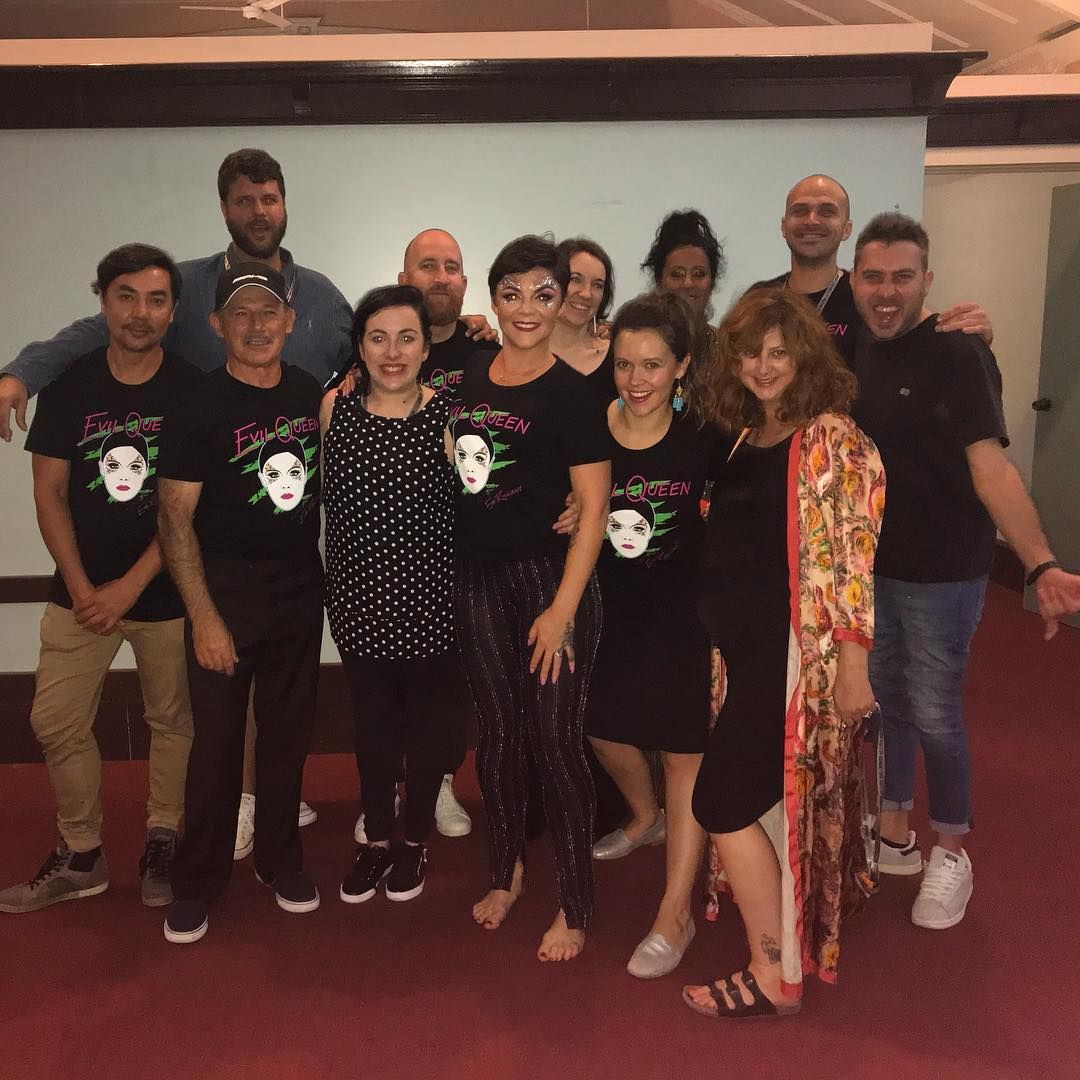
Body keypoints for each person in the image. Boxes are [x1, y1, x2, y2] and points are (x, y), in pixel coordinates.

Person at [0, 148, 346, 851]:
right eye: (244, 200)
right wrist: (21, 374)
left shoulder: (324, 297)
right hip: (208, 541)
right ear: (224, 208)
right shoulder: (184, 290)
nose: (258, 212)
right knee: (216, 687)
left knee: (264, 695)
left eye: (269, 198)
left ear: (285, 204)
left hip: (287, 527)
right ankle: (224, 805)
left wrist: (460, 337)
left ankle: (260, 800)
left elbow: (368, 365)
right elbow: (94, 332)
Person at [849, 212, 1080, 930]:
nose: (887, 292)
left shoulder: (959, 353)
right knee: (885, 704)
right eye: (874, 277)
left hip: (944, 572)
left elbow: (991, 469)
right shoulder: (852, 352)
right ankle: (895, 834)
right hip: (871, 570)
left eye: (902, 277)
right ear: (855, 281)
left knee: (935, 709)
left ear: (928, 281)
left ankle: (952, 851)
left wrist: (1041, 563)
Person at [683, 287, 884, 1017]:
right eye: (749, 353)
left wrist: (854, 666)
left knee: (721, 801)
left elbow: (855, 557)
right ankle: (784, 945)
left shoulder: (832, 438)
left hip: (794, 660)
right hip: (740, 654)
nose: (763, 367)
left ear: (805, 357)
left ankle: (772, 974)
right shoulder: (745, 435)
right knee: (765, 804)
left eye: (778, 353)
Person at [0, 244, 198, 915]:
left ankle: (163, 840)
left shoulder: (192, 390)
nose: (140, 313)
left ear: (173, 311)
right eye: (126, 296)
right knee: (54, 719)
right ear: (103, 302)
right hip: (78, 594)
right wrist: (84, 588)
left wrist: (130, 587)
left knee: (173, 721)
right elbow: (49, 494)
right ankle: (81, 854)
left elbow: (185, 508)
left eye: (156, 300)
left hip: (165, 591)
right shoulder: (70, 386)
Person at [450, 235, 611, 962]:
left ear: (560, 302)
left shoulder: (574, 394)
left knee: (555, 740)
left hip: (551, 583)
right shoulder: (465, 375)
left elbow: (594, 510)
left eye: (543, 295)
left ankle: (575, 901)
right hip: (478, 579)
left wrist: (562, 610)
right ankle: (506, 869)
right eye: (511, 294)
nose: (526, 308)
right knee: (498, 737)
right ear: (493, 300)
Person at [157, 263, 324, 944]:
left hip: (299, 585)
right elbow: (174, 517)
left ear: (289, 321)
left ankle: (281, 860)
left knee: (288, 735)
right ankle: (197, 880)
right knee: (218, 744)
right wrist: (203, 616)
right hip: (223, 588)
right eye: (241, 314)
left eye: (268, 312)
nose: (257, 326)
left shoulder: (312, 393)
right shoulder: (196, 403)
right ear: (217, 325)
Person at [584, 291, 715, 979]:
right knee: (599, 726)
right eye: (624, 364)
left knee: (685, 755)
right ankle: (644, 815)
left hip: (684, 615)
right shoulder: (591, 425)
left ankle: (675, 912)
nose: (636, 380)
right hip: (607, 609)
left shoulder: (707, 435)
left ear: (682, 366)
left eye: (653, 365)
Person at [321, 284, 461, 904]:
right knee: (372, 727)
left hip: (430, 602)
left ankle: (414, 839)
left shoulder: (450, 417)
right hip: (358, 601)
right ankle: (376, 836)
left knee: (426, 728)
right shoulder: (334, 410)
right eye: (378, 338)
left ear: (427, 348)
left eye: (407, 338)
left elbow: (490, 498)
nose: (393, 352)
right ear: (360, 347)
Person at [751, 173, 992, 366]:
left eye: (827, 211)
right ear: (784, 226)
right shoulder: (758, 298)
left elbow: (924, 336)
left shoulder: (869, 296)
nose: (812, 220)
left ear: (846, 229)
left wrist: (971, 338)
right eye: (800, 210)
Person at [551, 238, 616, 399]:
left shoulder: (618, 359)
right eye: (575, 279)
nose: (587, 294)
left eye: (597, 285)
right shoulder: (523, 352)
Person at [641, 210, 726, 332]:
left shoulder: (726, 343)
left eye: (698, 274)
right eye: (677, 274)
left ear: (712, 282)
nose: (688, 283)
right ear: (659, 280)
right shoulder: (634, 340)